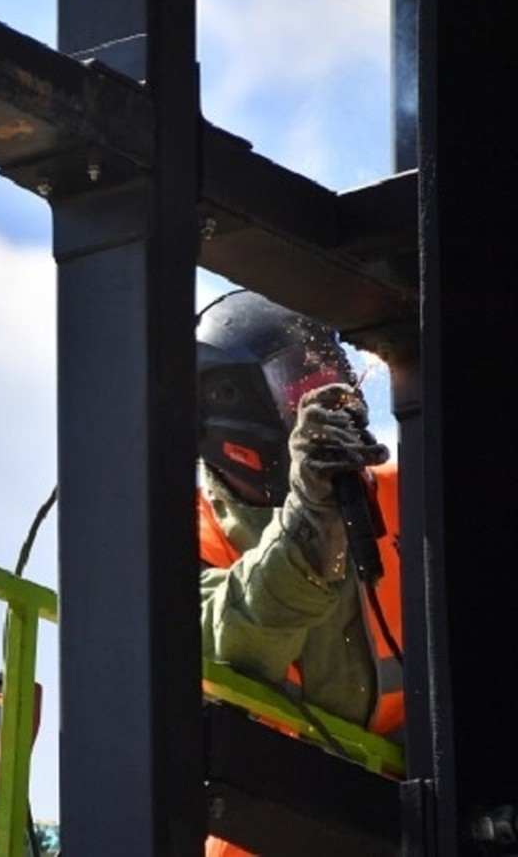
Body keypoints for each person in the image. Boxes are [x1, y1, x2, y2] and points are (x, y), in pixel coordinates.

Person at [195, 290, 404, 857]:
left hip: (401, 823)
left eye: (329, 380)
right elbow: (233, 640)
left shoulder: (404, 497)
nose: (320, 405)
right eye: (297, 389)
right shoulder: (165, 541)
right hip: (263, 837)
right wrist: (311, 521)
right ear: (231, 405)